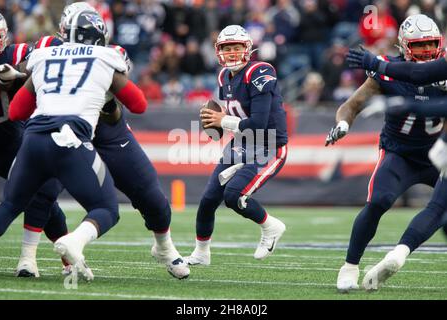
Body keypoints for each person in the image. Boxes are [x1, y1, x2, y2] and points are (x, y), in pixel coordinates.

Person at [14, 2, 190, 280]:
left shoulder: (110, 55)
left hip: (106, 133)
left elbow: (117, 111)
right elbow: (25, 75)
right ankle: (28, 258)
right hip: (62, 128)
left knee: (151, 195)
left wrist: (107, 106)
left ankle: (164, 247)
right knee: (44, 191)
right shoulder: (47, 47)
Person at [0, 9, 148, 281]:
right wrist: (109, 90)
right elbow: (139, 104)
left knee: (10, 206)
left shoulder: (44, 56)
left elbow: (18, 111)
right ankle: (74, 242)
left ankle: (32, 258)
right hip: (71, 139)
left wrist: (23, 80)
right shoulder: (104, 57)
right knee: (107, 209)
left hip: (32, 140)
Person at [326, 14, 446, 293]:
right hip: (399, 153)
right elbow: (352, 104)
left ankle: (398, 253)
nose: (427, 51)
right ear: (404, 47)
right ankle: (350, 266)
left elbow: (422, 77)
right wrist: (343, 124)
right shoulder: (388, 71)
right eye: (420, 46)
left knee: (441, 209)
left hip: (437, 154)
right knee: (378, 201)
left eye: (431, 44)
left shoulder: (442, 69)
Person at [184, 25, 288, 266]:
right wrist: (217, 120)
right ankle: (201, 252)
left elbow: (260, 123)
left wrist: (223, 120)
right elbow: (235, 117)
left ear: (248, 49)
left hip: (269, 145)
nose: (231, 53)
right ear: (218, 51)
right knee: (209, 199)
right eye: (226, 48)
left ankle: (271, 227)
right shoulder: (223, 76)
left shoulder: (260, 71)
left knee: (235, 196)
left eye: (237, 47)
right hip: (241, 143)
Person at [0, 9, 71, 278]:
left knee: (41, 196)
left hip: (9, 142)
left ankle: (68, 256)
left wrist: (17, 74)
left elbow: (53, 46)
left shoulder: (15, 55)